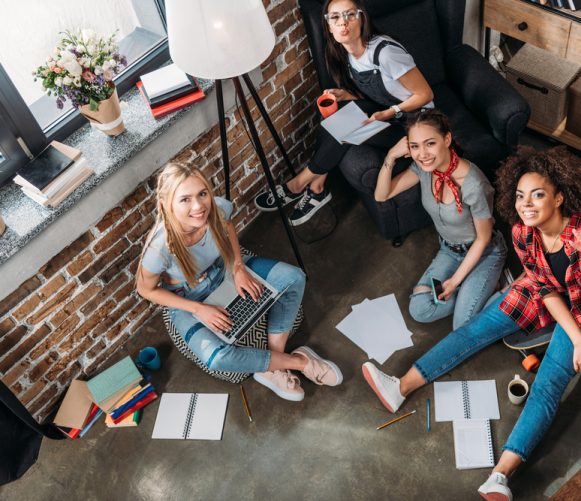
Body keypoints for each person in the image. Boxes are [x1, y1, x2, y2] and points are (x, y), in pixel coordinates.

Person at [361, 147, 581, 500]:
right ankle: (399, 387)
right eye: (521, 195)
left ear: (559, 197)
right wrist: (577, 340)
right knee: (475, 330)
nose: (527, 204)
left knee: (548, 383)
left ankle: (499, 476)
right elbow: (544, 289)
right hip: (545, 295)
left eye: (538, 195)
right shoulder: (523, 233)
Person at [136, 162, 343, 402]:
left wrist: (238, 267)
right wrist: (198, 309)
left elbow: (229, 226)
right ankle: (299, 361)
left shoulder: (216, 208)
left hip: (223, 269)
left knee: (294, 277)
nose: (199, 206)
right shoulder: (158, 248)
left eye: (202, 193)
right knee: (217, 359)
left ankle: (272, 367)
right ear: (165, 203)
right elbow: (146, 289)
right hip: (187, 297)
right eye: (185, 199)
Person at [253, 0, 434, 226]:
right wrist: (348, 95)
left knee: (347, 123)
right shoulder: (346, 53)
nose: (343, 23)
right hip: (389, 114)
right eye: (335, 17)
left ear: (362, 18)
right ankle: (317, 188)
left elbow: (425, 94)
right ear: (328, 26)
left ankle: (299, 184)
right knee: (335, 116)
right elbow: (380, 93)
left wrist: (390, 112)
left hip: (416, 124)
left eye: (350, 15)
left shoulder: (385, 53)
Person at [374, 109, 506, 329]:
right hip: (448, 250)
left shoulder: (473, 184)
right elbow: (381, 194)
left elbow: (483, 239)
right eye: (415, 146)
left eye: (430, 143)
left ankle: (500, 288)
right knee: (419, 310)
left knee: (461, 326)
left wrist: (454, 281)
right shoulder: (423, 169)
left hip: (484, 252)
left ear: (447, 139)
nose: (422, 154)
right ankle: (475, 289)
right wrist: (391, 156)